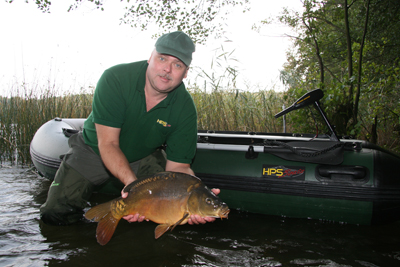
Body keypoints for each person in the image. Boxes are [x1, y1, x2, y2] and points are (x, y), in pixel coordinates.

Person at [40, 31, 219, 226]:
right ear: (150, 58)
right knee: (54, 213)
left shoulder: (184, 108)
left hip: (143, 156)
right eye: (162, 58)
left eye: (177, 65)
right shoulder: (116, 78)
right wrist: (135, 191)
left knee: (166, 212)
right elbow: (108, 144)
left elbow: (178, 167)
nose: (167, 69)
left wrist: (199, 196)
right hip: (94, 150)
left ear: (185, 73)